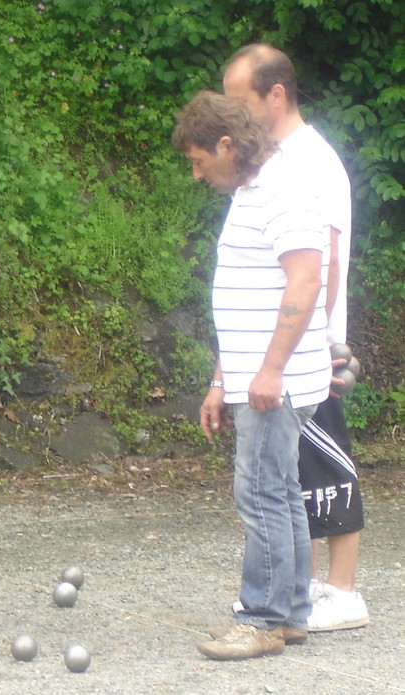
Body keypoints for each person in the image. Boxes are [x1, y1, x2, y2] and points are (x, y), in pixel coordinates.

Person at [173, 91, 331, 660]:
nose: (196, 175)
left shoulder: (284, 190)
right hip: (259, 374)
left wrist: (267, 371)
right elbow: (245, 293)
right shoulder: (250, 188)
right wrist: (224, 378)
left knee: (260, 491)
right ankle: (289, 614)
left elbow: (306, 282)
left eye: (198, 161)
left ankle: (261, 617)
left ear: (226, 144)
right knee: (282, 490)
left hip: (275, 381)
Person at [223, 44, 368, 632]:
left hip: (309, 343)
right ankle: (299, 589)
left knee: (327, 463)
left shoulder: (311, 160)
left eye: (240, 102)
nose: (232, 115)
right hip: (296, 342)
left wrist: (320, 345)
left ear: (275, 94)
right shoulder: (275, 157)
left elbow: (322, 259)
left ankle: (342, 590)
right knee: (294, 471)